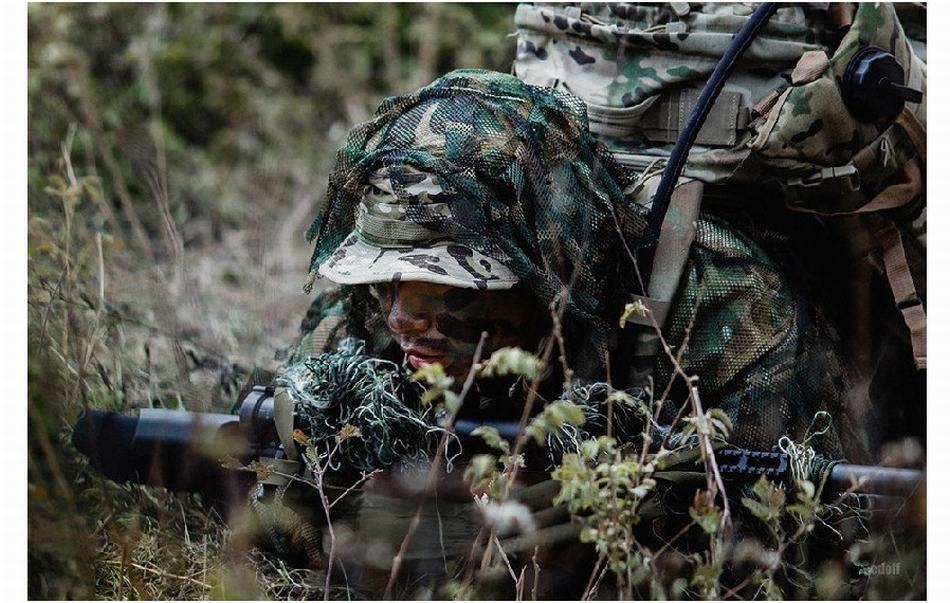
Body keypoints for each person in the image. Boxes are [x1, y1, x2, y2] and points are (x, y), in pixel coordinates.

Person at [284, 68, 859, 596]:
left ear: (545, 269)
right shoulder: (372, 297)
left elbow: (801, 539)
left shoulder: (721, 304)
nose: (401, 319)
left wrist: (630, 513)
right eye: (388, 282)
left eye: (452, 289)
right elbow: (268, 471)